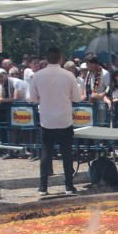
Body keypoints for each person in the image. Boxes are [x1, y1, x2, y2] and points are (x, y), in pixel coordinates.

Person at [30, 47, 79, 196]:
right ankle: (69, 186)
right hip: (64, 119)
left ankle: (43, 187)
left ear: (46, 59)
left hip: (47, 120)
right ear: (60, 58)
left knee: (46, 153)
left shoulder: (37, 76)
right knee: (66, 154)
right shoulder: (69, 75)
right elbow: (77, 98)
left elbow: (32, 99)